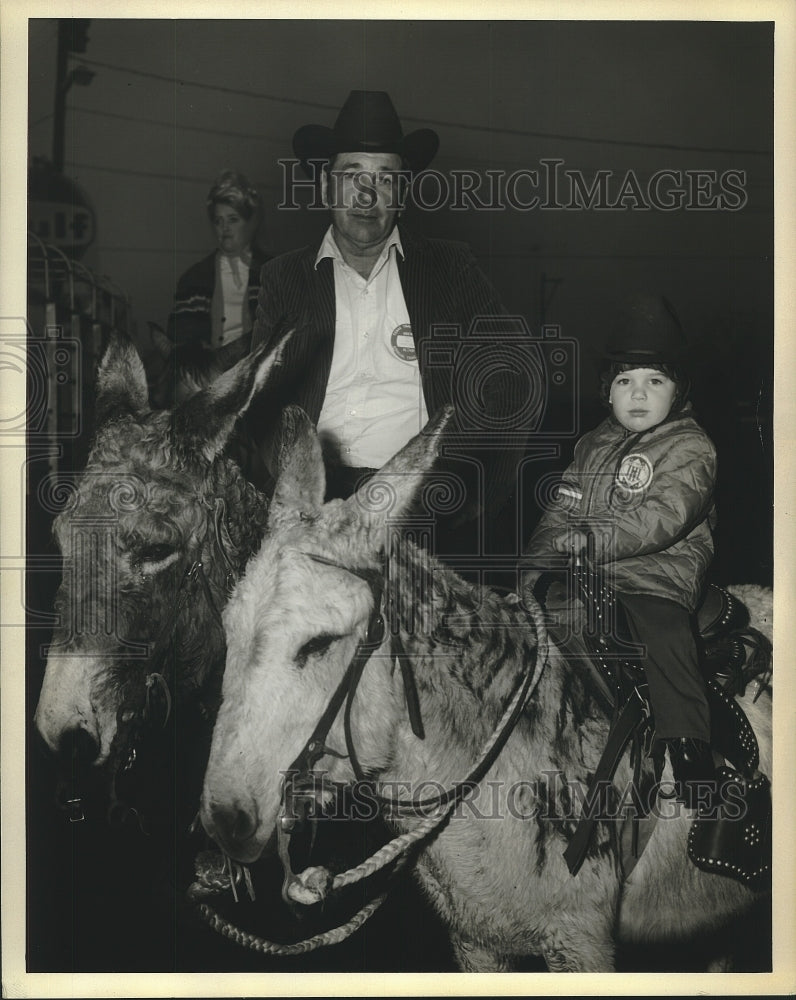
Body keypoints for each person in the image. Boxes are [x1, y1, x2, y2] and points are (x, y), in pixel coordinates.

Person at [244, 90, 533, 569]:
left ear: (402, 193)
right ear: (325, 186)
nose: (366, 194)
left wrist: (474, 487)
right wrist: (299, 487)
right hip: (317, 507)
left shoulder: (449, 267)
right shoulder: (284, 278)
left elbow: (516, 375)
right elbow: (263, 399)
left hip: (419, 508)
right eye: (352, 174)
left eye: (384, 178)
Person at [523, 292, 717, 807]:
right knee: (532, 623)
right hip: (590, 574)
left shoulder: (691, 446)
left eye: (655, 381)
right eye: (625, 381)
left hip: (656, 575)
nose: (638, 393)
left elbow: (664, 516)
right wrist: (535, 567)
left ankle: (690, 747)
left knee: (664, 632)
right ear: (607, 391)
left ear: (678, 392)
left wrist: (593, 539)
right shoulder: (590, 445)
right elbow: (561, 510)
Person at [166, 169, 269, 381]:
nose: (225, 228)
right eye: (218, 221)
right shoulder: (194, 279)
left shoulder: (274, 273)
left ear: (251, 222)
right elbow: (181, 340)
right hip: (208, 380)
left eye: (233, 219)